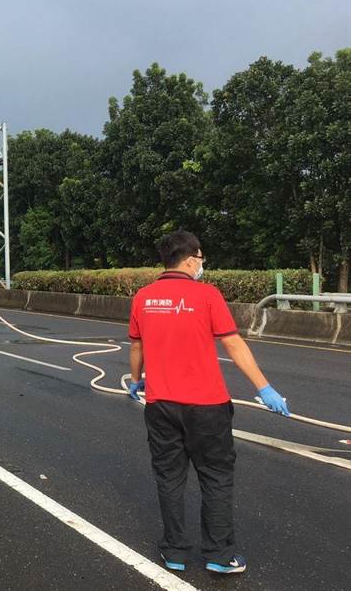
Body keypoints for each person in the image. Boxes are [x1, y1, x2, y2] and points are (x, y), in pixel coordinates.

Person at [128, 230, 289, 575]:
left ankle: (174, 552)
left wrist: (136, 379)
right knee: (215, 478)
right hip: (207, 406)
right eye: (200, 258)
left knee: (169, 477)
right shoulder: (207, 295)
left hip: (160, 405)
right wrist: (264, 388)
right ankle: (219, 555)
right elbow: (233, 344)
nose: (202, 264)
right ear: (189, 260)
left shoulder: (143, 297)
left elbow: (136, 346)